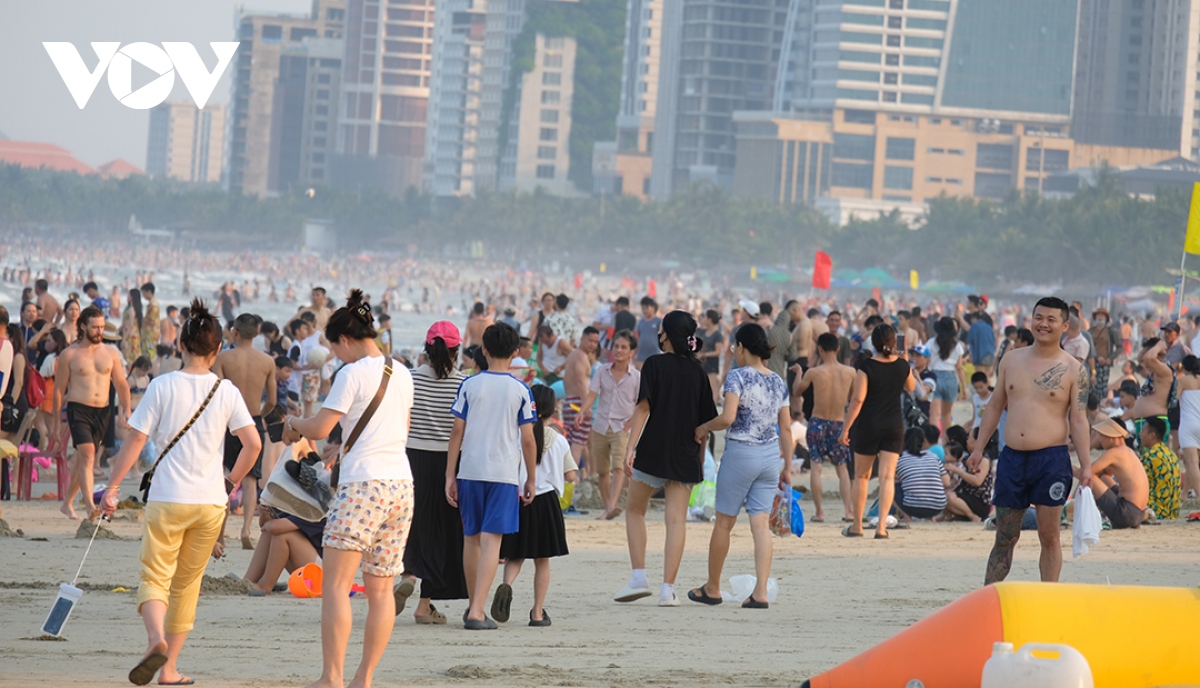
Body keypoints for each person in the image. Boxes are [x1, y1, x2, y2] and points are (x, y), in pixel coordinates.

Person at [99, 299, 261, 687]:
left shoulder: (161, 385)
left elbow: (136, 441)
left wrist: (113, 487)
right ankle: (169, 670)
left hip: (168, 498)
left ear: (181, 345)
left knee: (155, 575)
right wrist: (228, 483)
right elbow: (252, 445)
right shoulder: (226, 391)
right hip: (210, 503)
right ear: (218, 349)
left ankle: (156, 641)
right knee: (187, 585)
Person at [282, 290, 416, 688]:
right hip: (401, 485)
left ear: (345, 339)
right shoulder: (403, 371)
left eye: (333, 347)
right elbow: (400, 430)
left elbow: (320, 427)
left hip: (362, 486)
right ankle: (365, 678)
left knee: (337, 587)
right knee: (381, 591)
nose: (335, 356)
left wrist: (295, 424)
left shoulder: (352, 373)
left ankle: (331, 678)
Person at [969, 296, 1093, 585]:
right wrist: (977, 448)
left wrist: (1086, 465)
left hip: (1051, 460)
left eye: (1051, 320)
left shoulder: (1075, 370)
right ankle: (990, 598)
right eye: (1039, 317)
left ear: (1064, 325)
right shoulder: (1011, 360)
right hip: (1012, 458)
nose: (1043, 324)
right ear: (1031, 319)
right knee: (1005, 536)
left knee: (1049, 536)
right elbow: (995, 406)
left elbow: (1078, 420)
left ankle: (1048, 599)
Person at [616, 311, 717, 607]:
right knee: (676, 522)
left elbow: (643, 408)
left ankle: (639, 576)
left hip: (653, 449)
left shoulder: (654, 365)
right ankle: (667, 589)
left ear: (667, 335)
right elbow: (705, 423)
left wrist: (630, 447)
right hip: (684, 453)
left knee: (635, 510)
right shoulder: (697, 371)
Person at [688, 323, 790, 609]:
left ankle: (713, 587)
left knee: (724, 523)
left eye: (735, 347)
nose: (734, 352)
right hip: (770, 456)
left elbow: (728, 417)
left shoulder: (737, 377)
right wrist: (788, 466)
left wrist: (703, 427)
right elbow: (785, 427)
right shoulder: (778, 381)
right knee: (760, 526)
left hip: (742, 454)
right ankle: (760, 592)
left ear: (742, 347)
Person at [445, 322, 537, 630]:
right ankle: (476, 611)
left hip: (470, 470)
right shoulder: (521, 390)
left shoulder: (469, 385)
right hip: (503, 473)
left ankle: (476, 604)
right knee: (491, 541)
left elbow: (456, 431)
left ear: (483, 350)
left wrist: (450, 475)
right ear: (515, 353)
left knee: (470, 539)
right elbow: (528, 439)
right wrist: (531, 478)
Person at [399, 321, 469, 625]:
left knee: (412, 523)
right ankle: (424, 604)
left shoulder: (408, 378)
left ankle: (408, 575)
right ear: (457, 350)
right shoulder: (464, 383)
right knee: (441, 532)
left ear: (427, 349)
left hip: (411, 456)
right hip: (450, 462)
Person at [496, 385, 574, 626]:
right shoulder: (560, 441)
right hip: (547, 502)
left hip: (519, 500)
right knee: (542, 560)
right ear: (553, 409)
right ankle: (537, 613)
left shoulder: (518, 438)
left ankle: (506, 586)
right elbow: (571, 475)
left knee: (516, 556)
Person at [55, 306, 132, 520]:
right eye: (95, 327)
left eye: (102, 327)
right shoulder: (69, 354)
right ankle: (90, 506)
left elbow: (122, 384)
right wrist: (55, 421)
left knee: (83, 460)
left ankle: (67, 503)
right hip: (78, 408)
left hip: (103, 412)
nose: (100, 331)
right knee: (88, 455)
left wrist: (126, 410)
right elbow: (59, 389)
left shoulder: (111, 354)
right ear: (83, 326)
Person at [840, 324, 916, 538]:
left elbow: (857, 400)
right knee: (887, 477)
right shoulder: (902, 365)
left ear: (872, 343)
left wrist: (846, 428)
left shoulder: (867, 366)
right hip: (894, 425)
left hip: (868, 425)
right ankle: (882, 528)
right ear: (894, 342)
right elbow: (911, 387)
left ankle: (857, 525)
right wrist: (905, 358)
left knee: (861, 476)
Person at [213, 313, 277, 550]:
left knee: (226, 476)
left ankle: (219, 533)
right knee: (250, 481)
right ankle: (246, 529)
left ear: (235, 332)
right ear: (257, 333)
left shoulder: (223, 358)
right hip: (254, 420)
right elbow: (272, 399)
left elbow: (217, 394)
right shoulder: (267, 361)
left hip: (228, 422)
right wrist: (263, 415)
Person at [793, 333, 855, 523]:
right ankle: (848, 512)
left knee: (816, 468)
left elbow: (796, 392)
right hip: (838, 423)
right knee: (842, 469)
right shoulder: (850, 372)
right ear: (838, 349)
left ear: (819, 349)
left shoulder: (814, 372)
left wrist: (798, 373)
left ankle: (820, 513)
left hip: (817, 423)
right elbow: (854, 398)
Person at [579, 330, 640, 520]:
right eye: (616, 346)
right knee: (602, 471)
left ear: (631, 352)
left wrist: (629, 426)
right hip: (601, 425)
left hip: (622, 428)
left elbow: (641, 406)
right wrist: (582, 411)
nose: (619, 350)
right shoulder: (602, 371)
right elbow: (592, 394)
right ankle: (609, 508)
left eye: (623, 347)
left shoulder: (636, 377)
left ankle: (612, 505)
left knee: (619, 468)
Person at [1082, 419, 1148, 529]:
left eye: (1102, 436)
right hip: (1139, 514)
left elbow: (1087, 473)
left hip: (1126, 514)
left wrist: (1070, 468)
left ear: (1111, 437)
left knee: (1091, 477)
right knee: (1103, 477)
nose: (1100, 440)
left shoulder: (1114, 453)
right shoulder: (1129, 451)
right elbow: (1104, 473)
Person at [561, 326, 600, 469]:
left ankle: (568, 478)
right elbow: (579, 381)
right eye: (590, 341)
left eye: (595, 342)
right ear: (582, 338)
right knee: (577, 444)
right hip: (578, 402)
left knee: (572, 442)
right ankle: (569, 480)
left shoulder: (573, 355)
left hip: (570, 401)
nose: (592, 345)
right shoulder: (581, 356)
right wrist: (585, 408)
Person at [893, 428, 949, 520]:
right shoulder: (933, 456)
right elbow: (947, 482)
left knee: (889, 483)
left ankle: (907, 517)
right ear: (923, 441)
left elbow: (890, 475)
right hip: (938, 506)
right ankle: (932, 518)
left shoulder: (900, 457)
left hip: (912, 507)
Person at [925, 317, 965, 431]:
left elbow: (926, 359)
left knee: (934, 414)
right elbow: (960, 368)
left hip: (934, 377)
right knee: (946, 414)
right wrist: (964, 388)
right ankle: (947, 442)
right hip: (951, 378)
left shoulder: (931, 342)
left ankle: (933, 443)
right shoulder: (957, 345)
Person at [943, 433, 994, 522]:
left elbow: (977, 481)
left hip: (979, 500)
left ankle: (972, 516)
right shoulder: (966, 457)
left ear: (977, 441)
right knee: (943, 495)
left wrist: (957, 470)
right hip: (966, 495)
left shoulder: (984, 460)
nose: (967, 440)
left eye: (969, 438)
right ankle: (962, 515)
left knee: (949, 495)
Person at [1138, 416, 1181, 520]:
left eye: (1143, 431)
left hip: (1157, 512)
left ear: (1152, 435)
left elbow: (1137, 486)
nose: (1140, 434)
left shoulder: (1150, 457)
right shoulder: (1171, 454)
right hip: (1173, 512)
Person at [1176, 355, 1200, 499]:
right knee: (1193, 463)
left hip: (1189, 424)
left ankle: (1199, 496)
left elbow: (1173, 400)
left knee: (1191, 463)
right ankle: (1185, 494)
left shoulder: (1183, 381)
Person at [697, 310, 725, 403]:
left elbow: (718, 352)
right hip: (702, 365)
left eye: (705, 317)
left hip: (712, 365)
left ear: (710, 319)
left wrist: (704, 355)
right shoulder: (703, 332)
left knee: (712, 389)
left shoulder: (717, 335)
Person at [965, 310, 996, 378]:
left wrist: (969, 355)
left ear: (974, 318)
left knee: (980, 378)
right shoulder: (989, 327)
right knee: (987, 378)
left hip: (980, 355)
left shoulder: (974, 326)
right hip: (990, 354)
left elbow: (969, 341)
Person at [634, 297, 663, 369]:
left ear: (653, 308)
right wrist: (635, 352)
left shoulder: (659, 321)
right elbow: (638, 338)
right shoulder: (641, 322)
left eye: (646, 308)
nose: (644, 311)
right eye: (643, 308)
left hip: (655, 354)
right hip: (641, 356)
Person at [121, 288, 143, 364]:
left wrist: (124, 339)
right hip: (134, 334)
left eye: (128, 295)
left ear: (132, 297)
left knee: (129, 356)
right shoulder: (133, 309)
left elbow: (130, 325)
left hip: (130, 335)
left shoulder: (131, 310)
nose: (127, 296)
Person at [140, 282, 161, 360]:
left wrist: (141, 319)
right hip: (149, 334)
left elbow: (151, 321)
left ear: (149, 292)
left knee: (148, 356)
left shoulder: (153, 305)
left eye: (144, 293)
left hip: (150, 335)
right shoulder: (152, 303)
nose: (143, 295)